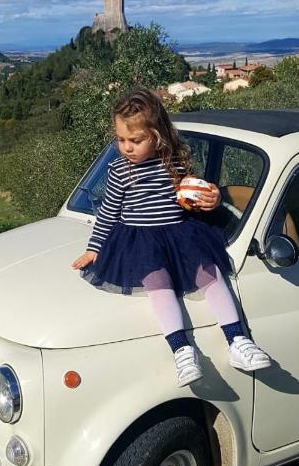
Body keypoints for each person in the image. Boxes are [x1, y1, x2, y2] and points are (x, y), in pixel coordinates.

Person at [71, 87, 271, 386]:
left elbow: (190, 197)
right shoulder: (119, 170)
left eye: (135, 140)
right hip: (140, 241)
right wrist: (94, 249)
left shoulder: (175, 162)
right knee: (159, 287)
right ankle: (182, 351)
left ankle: (238, 340)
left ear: (157, 134)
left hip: (180, 234)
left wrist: (212, 199)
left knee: (212, 275)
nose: (126, 147)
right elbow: (108, 213)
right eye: (121, 139)